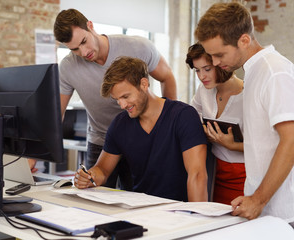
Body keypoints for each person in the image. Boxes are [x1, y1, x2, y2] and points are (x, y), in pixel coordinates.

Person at [53, 9, 177, 189]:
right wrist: (36, 155)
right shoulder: (68, 67)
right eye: (75, 49)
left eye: (84, 41)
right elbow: (57, 113)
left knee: (137, 200)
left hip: (139, 139)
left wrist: (168, 126)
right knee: (94, 201)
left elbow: (167, 77)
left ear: (90, 25)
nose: (83, 51)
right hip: (100, 142)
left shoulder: (138, 47)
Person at [195, 2, 294, 223]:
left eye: (220, 54)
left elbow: (291, 140)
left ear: (244, 40)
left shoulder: (275, 72)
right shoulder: (254, 72)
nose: (215, 62)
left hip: (284, 213)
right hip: (262, 207)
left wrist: (258, 199)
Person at [74, 56, 207, 202]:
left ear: (144, 84)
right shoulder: (120, 124)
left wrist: (198, 218)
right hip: (139, 210)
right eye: (117, 100)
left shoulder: (183, 116)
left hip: (178, 211)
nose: (122, 105)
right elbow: (103, 170)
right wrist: (89, 176)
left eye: (125, 96)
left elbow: (197, 174)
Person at [186, 43, 246, 205]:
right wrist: (202, 130)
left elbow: (268, 145)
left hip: (244, 176)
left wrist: (232, 145)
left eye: (207, 69)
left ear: (221, 64)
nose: (201, 76)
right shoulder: (203, 90)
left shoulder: (247, 95)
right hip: (213, 172)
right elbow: (190, 119)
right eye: (197, 70)